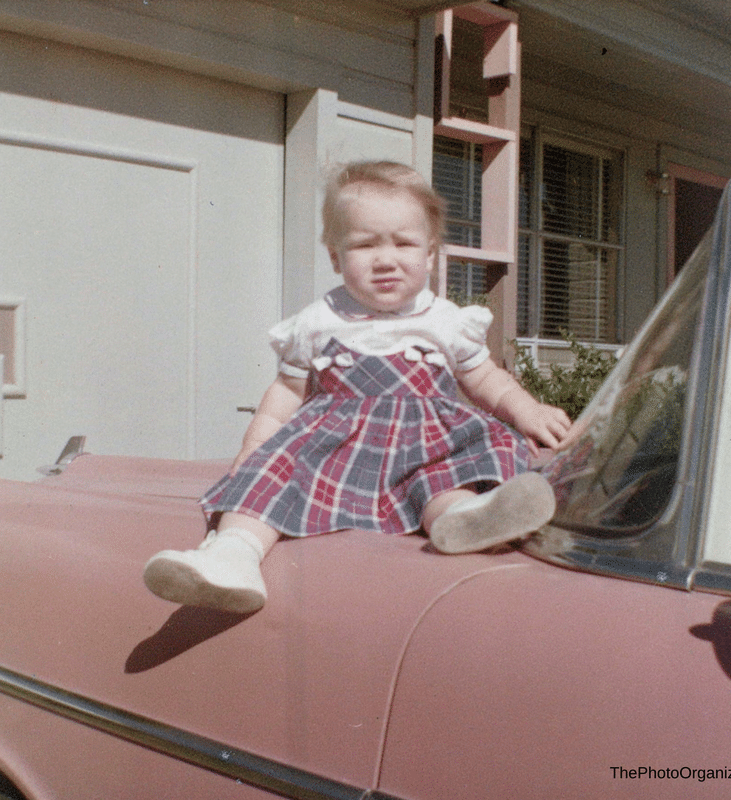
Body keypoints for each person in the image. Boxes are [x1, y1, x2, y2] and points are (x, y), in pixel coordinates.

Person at [143, 161, 571, 614]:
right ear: (335, 257)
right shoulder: (317, 321)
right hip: (335, 448)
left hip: (425, 445)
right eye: (365, 245)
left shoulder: (446, 319)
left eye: (404, 243)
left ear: (429, 254)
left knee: (445, 479)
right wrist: (255, 449)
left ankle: (464, 519)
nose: (385, 260)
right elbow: (286, 393)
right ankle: (232, 557)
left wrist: (529, 411)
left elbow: (485, 379)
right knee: (270, 481)